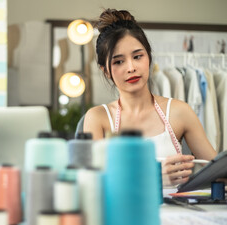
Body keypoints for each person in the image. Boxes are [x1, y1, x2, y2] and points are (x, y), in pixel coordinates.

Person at [83, 9, 217, 186]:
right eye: (118, 61)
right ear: (106, 71)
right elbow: (92, 184)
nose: (131, 67)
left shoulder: (179, 112)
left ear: (149, 57)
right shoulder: (98, 118)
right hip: (123, 212)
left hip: (178, 213)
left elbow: (217, 171)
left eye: (138, 56)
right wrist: (152, 176)